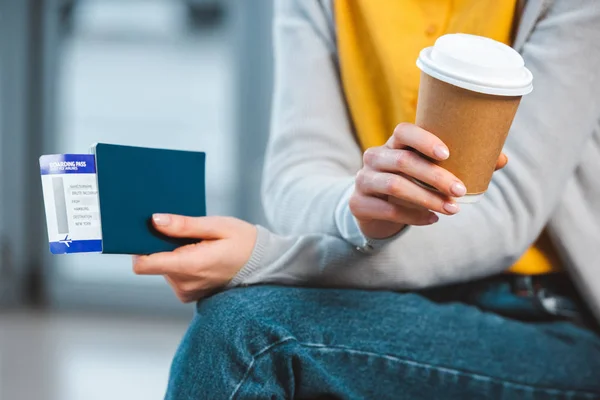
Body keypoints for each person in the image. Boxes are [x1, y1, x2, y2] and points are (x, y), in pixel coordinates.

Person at [133, 0, 600, 398]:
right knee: (242, 327)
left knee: (247, 333)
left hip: (547, 317)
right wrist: (358, 213)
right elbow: (298, 172)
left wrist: (267, 258)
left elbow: (502, 219)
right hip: (384, 293)